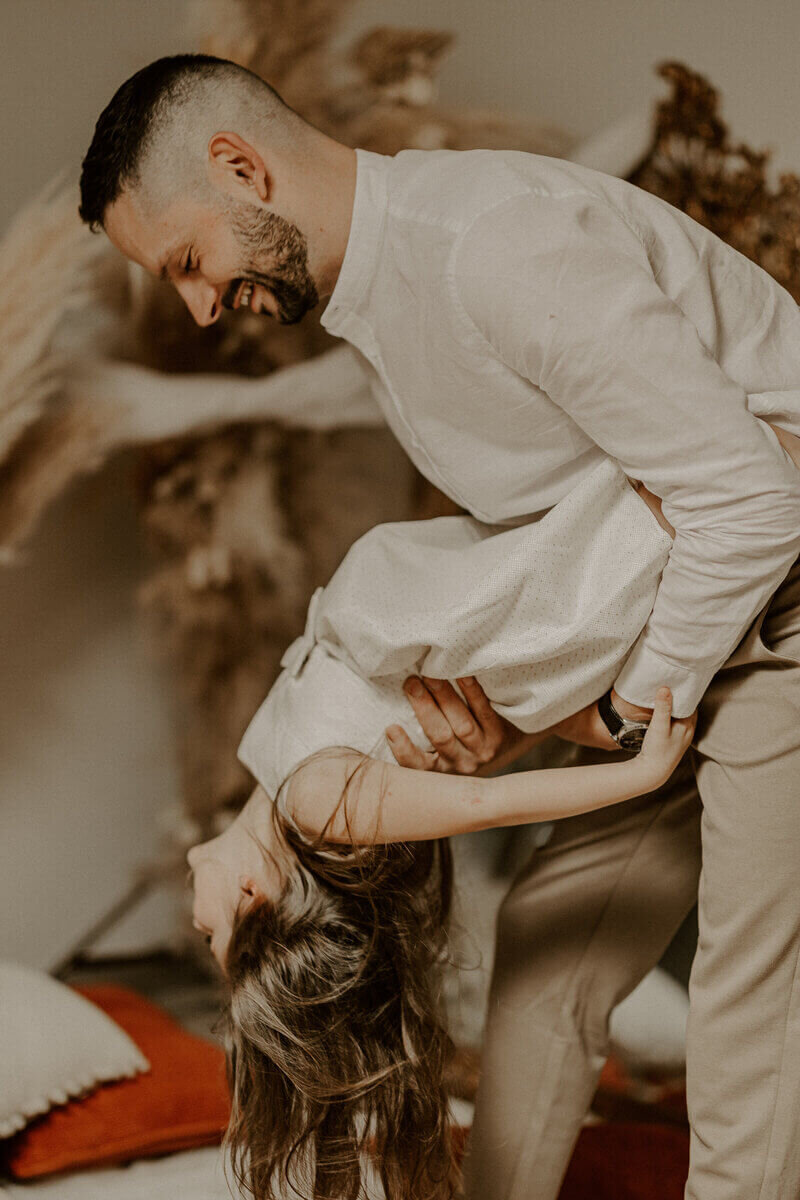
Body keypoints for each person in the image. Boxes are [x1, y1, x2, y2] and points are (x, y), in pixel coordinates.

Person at [79, 54, 800, 1200]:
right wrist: (521, 727)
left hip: (779, 603)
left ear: (240, 168)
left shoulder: (489, 247)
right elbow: (564, 555)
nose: (199, 306)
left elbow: (755, 497)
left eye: (187, 262)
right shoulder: (382, 308)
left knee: (746, 999)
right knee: (544, 945)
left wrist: (615, 717)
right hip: (677, 630)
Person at [186, 455, 693, 1200]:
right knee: (637, 521)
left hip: (467, 602)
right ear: (254, 893)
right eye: (210, 935)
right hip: (511, 606)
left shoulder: (271, 769)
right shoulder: (315, 805)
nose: (196, 925)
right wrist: (636, 774)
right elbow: (485, 806)